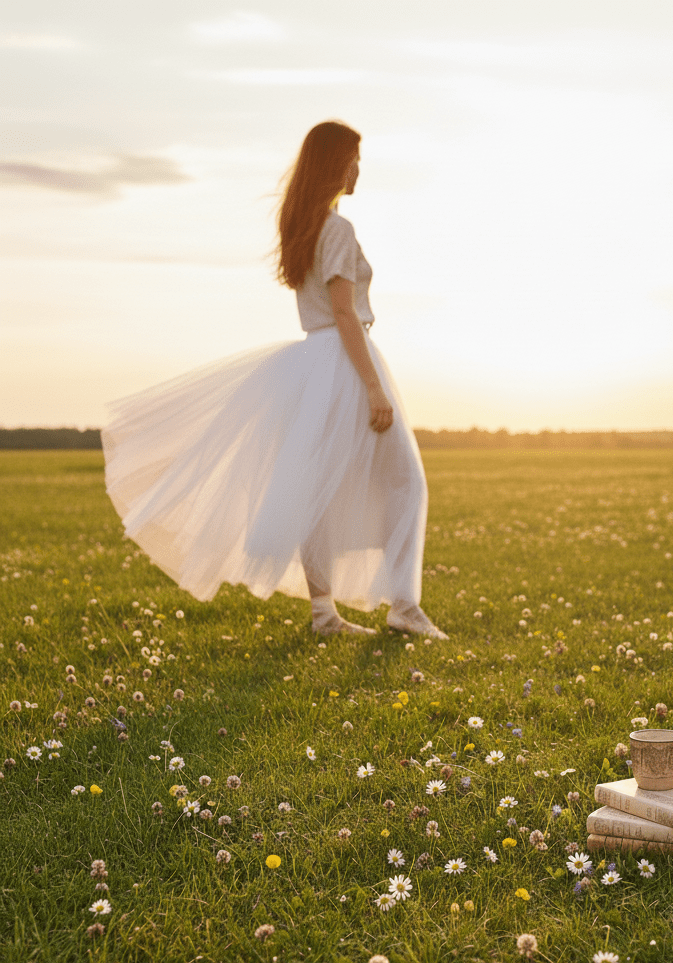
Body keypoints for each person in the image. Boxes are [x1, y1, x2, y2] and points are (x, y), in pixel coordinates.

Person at [101, 120, 447, 640]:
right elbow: (344, 313)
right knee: (406, 481)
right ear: (335, 164)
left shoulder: (304, 224)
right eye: (354, 157)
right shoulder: (338, 229)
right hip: (344, 360)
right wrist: (374, 387)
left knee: (318, 491)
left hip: (312, 363)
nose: (359, 168)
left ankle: (325, 613)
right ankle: (403, 606)